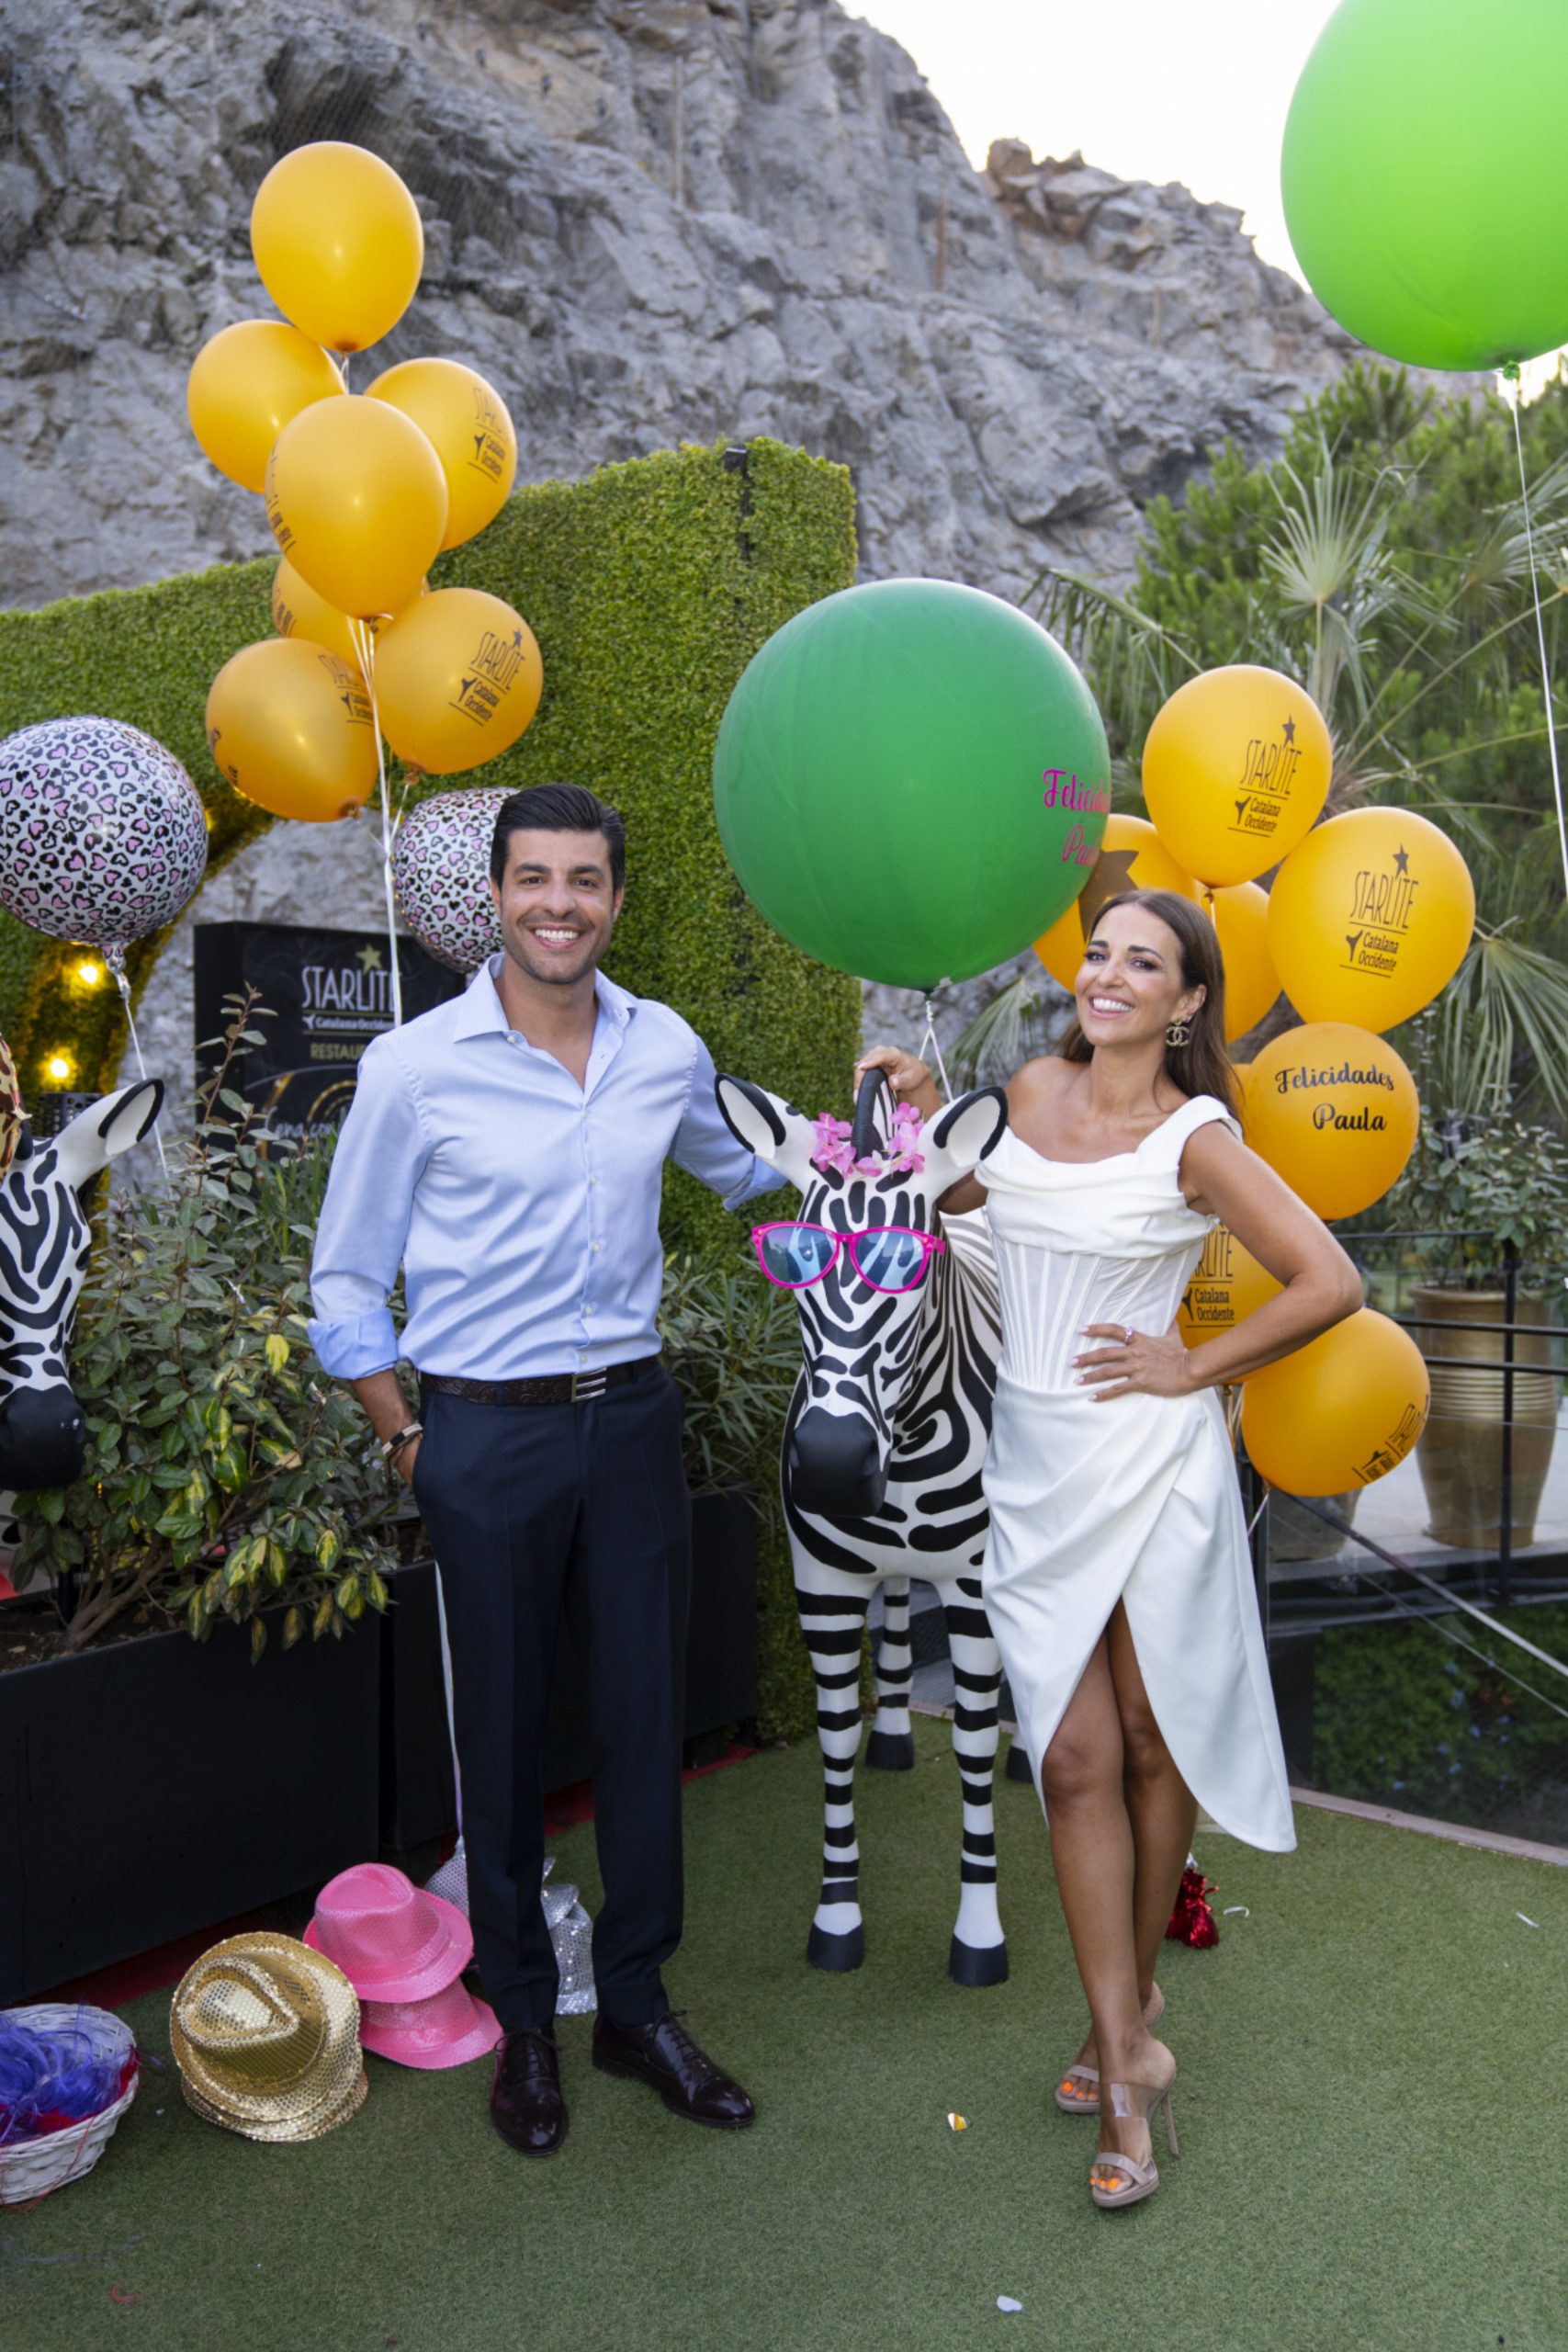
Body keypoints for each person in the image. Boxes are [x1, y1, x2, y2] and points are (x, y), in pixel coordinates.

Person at [858, 888, 1361, 2211]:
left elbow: (1329, 1282)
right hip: (1030, 1470)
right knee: (1071, 1755)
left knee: (1150, 1738)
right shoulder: (1027, 1086)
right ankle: (1125, 2014)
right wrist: (919, 1109)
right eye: (1101, 954)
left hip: (1153, 1464)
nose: (1110, 975)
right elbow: (972, 1202)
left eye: (1146, 963)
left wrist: (1190, 1364)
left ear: (1190, 1000)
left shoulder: (1195, 1135)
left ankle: (1124, 2057)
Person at [308, 782, 784, 2156]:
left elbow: (747, 1171)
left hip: (630, 1421)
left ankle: (634, 2006)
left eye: (585, 880)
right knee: (501, 1740)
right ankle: (523, 2018)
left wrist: (877, 1129)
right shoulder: (415, 1066)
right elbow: (344, 1278)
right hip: (482, 1433)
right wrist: (408, 1437)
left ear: (616, 900)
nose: (559, 904)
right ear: (498, 896)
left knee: (648, 1724)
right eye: (534, 879)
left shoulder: (665, 1048)